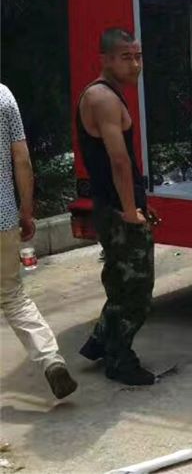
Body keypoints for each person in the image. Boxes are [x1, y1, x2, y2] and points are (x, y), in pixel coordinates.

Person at [77, 28, 156, 386]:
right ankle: (119, 359)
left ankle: (100, 340)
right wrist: (129, 211)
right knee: (135, 290)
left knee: (119, 279)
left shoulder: (107, 94)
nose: (135, 64)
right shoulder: (103, 98)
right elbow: (119, 161)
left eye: (137, 56)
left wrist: (140, 204)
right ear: (106, 59)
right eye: (126, 57)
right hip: (116, 210)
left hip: (115, 206)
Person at [0, 83, 78, 399]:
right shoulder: (4, 96)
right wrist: (26, 211)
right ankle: (51, 360)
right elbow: (22, 160)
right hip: (3, 218)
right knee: (13, 297)